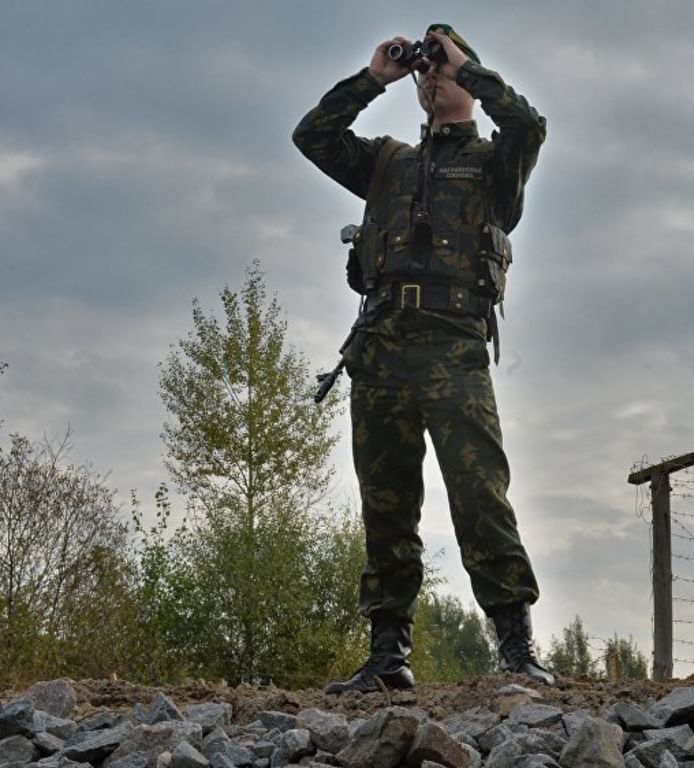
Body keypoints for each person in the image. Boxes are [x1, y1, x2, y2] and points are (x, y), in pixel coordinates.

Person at [293, 23, 553, 693]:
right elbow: (312, 136)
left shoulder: (494, 163)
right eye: (425, 68)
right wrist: (374, 78)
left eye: (443, 66)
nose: (431, 76)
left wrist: (472, 72)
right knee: (386, 501)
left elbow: (528, 124)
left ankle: (516, 647)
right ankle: (386, 655)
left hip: (452, 344)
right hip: (380, 344)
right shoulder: (387, 162)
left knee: (478, 490)